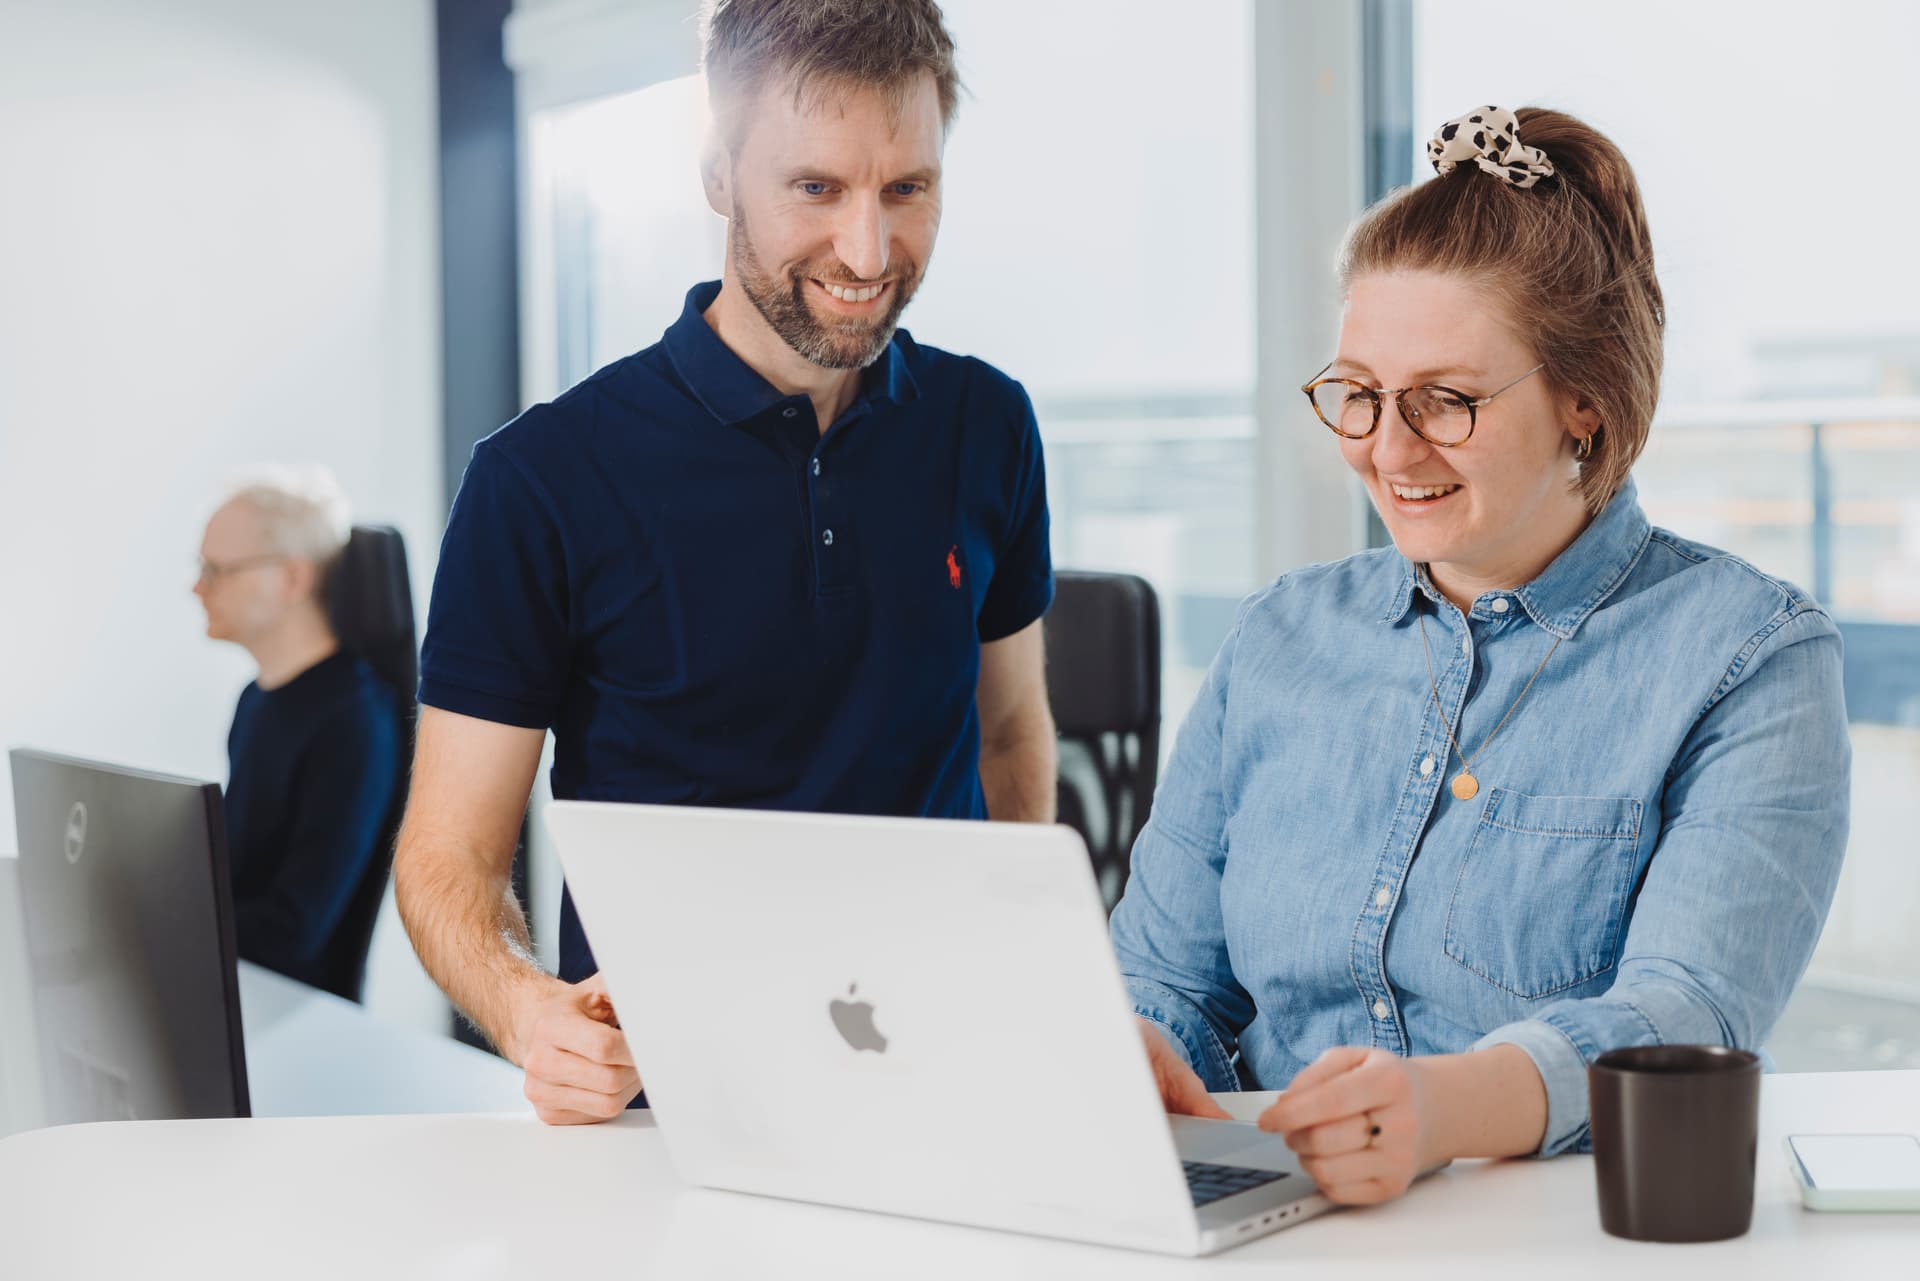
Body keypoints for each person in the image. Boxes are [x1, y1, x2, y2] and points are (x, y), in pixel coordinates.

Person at [1111, 105, 1851, 1206]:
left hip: (1579, 1231)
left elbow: (1686, 1014)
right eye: (1358, 392)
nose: (1385, 447)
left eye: (1445, 401)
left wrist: (1439, 1112)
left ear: (1586, 404)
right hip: (1267, 1219)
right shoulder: (1280, 637)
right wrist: (1135, 1048)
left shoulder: (1749, 658)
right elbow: (1165, 974)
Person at [395, 0, 1057, 1126]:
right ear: (717, 173)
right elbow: (446, 858)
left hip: (942, 1079)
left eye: (908, 189)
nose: (867, 251)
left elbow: (1008, 732)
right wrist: (526, 1012)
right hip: (675, 1108)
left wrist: (1020, 962)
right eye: (816, 189)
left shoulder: (986, 423)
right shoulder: (542, 478)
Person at [195, 465, 401, 994]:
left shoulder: (355, 719)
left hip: (297, 1016)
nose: (198, 588)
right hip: (238, 990)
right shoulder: (255, 699)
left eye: (217, 569)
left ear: (292, 578)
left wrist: (157, 926)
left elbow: (294, 930)